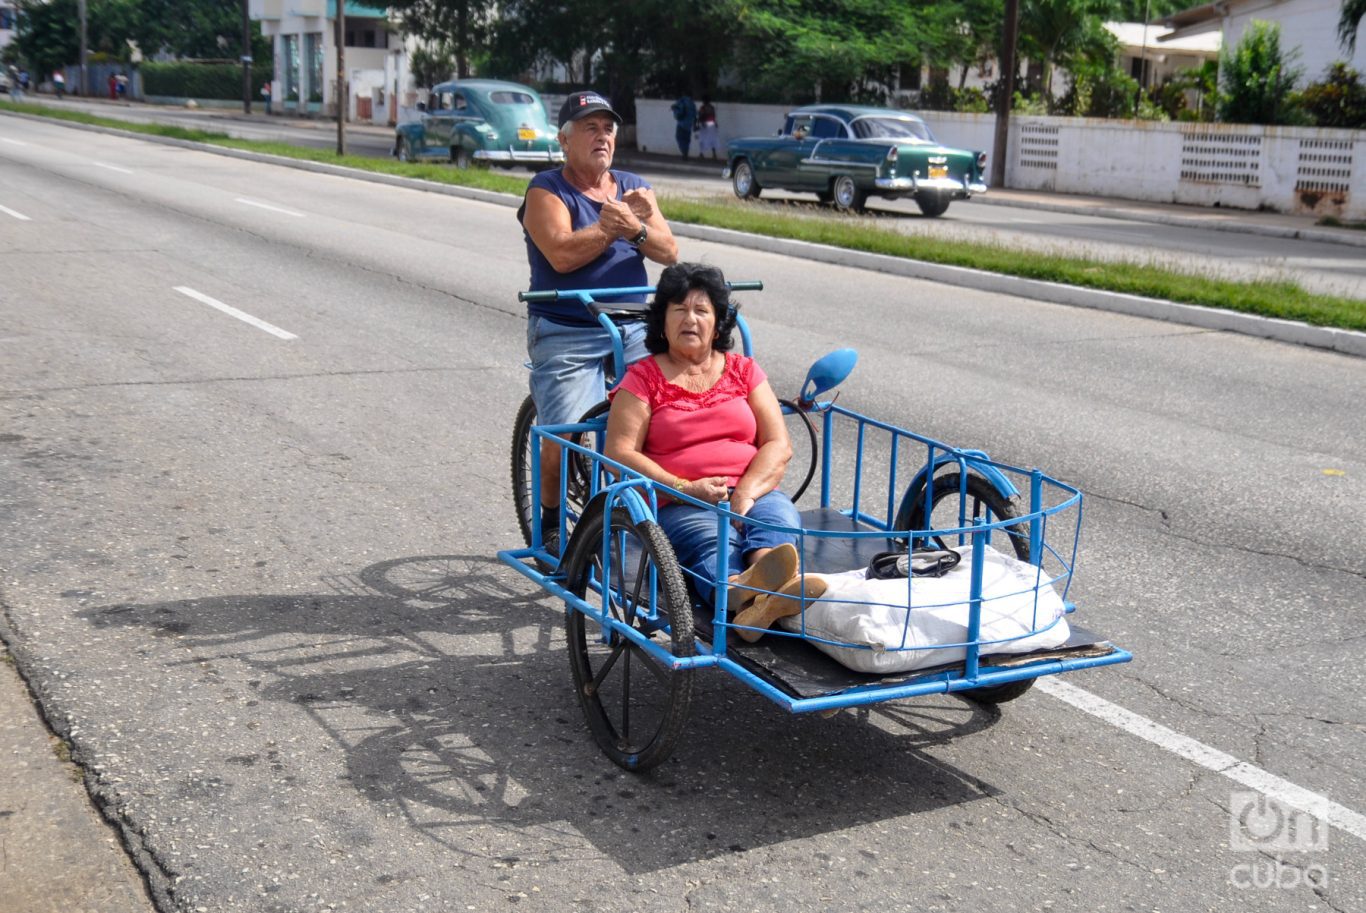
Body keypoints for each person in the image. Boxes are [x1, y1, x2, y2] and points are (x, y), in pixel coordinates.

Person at [604, 262, 808, 641]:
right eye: (679, 309)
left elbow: (778, 443)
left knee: (778, 520)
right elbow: (619, 452)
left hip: (751, 490)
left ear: (718, 323)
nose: (690, 319)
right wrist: (685, 487)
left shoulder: (744, 370)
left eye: (701, 310)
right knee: (712, 541)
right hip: (678, 501)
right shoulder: (643, 378)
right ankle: (739, 591)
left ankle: (763, 589)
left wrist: (745, 493)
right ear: (662, 321)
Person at [518, 89, 678, 553]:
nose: (603, 136)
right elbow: (562, 255)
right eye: (590, 127)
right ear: (564, 140)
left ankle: (661, 520)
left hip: (634, 325)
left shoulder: (632, 184)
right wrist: (612, 227)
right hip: (567, 329)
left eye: (608, 128)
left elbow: (669, 252)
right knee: (566, 435)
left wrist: (638, 228)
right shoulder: (547, 189)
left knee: (671, 417)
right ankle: (550, 523)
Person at [670, 94, 696, 159]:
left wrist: (674, 108)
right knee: (686, 140)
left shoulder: (681, 101)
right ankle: (685, 153)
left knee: (679, 137)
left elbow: (678, 114)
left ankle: (684, 153)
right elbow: (695, 114)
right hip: (689, 124)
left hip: (682, 123)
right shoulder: (692, 103)